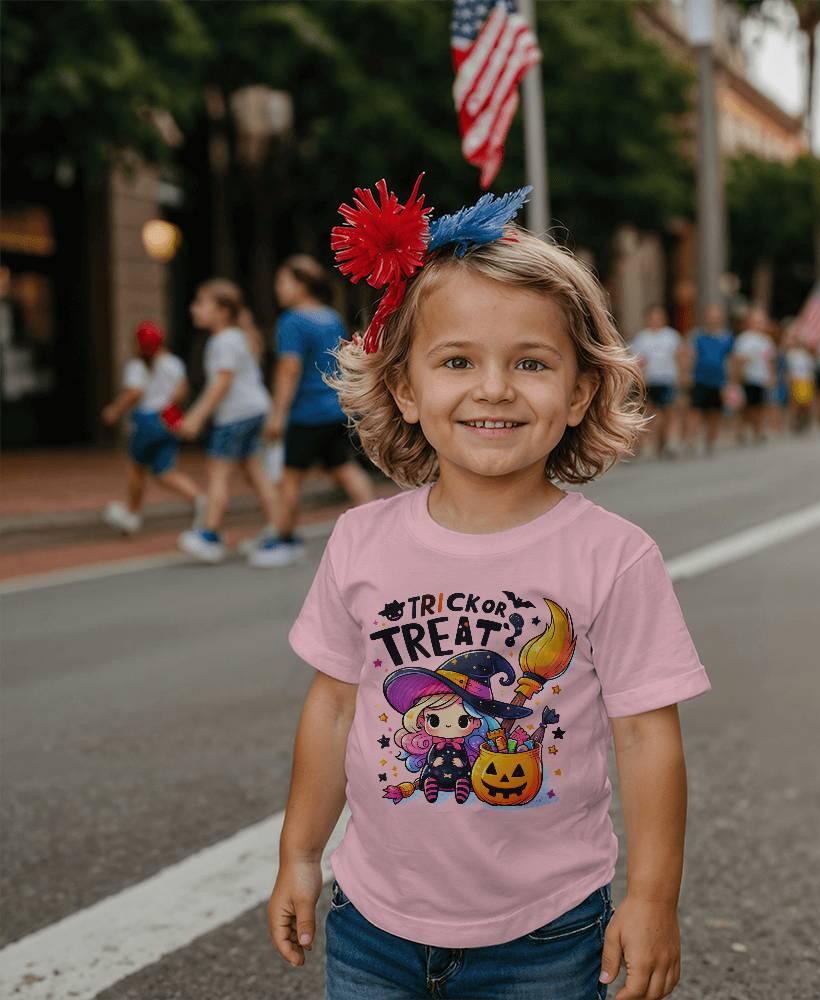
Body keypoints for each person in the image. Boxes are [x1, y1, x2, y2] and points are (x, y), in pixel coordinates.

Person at [267, 179, 711, 1000]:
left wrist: (653, 899)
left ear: (580, 392)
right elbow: (332, 708)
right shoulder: (361, 540)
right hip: (371, 922)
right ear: (405, 388)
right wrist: (299, 854)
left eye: (531, 363)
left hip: (545, 933)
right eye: (457, 361)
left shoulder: (614, 557)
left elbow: (648, 738)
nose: (495, 388)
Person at [248, 256, 376, 568]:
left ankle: (284, 538)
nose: (278, 289)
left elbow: (289, 369)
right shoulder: (330, 317)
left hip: (306, 414)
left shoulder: (292, 321)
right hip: (335, 408)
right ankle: (378, 530)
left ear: (302, 285)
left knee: (289, 479)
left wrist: (277, 415)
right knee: (346, 470)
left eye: (283, 282)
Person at [177, 279, 279, 562]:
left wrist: (195, 417)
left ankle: (209, 535)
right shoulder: (236, 337)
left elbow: (221, 383)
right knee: (255, 472)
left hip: (236, 415)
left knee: (218, 472)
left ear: (222, 311)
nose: (194, 309)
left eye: (201, 303)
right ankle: (278, 529)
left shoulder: (224, 341)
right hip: (254, 410)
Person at [101, 321, 203, 535]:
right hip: (169, 419)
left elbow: (134, 393)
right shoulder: (174, 363)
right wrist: (169, 410)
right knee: (165, 471)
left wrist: (115, 410)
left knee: (137, 468)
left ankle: (132, 514)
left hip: (146, 420)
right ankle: (200, 499)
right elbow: (182, 391)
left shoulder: (137, 365)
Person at [629, 305, 684, 458]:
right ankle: (640, 445)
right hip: (650, 381)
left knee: (669, 413)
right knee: (648, 414)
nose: (656, 320)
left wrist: (681, 376)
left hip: (667, 379)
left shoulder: (671, 336)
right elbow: (638, 361)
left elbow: (680, 357)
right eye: (653, 317)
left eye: (658, 317)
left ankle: (666, 442)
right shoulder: (642, 338)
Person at [684, 302, 734, 456]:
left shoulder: (726, 338)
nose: (713, 319)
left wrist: (731, 381)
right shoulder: (697, 336)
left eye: (716, 317)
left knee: (715, 412)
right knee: (695, 410)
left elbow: (730, 360)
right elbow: (690, 355)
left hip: (719, 380)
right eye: (711, 316)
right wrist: (686, 373)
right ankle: (691, 441)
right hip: (700, 379)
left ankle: (710, 441)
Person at [731, 305, 775, 445]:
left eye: (761, 321)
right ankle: (741, 431)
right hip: (747, 378)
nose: (759, 324)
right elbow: (738, 360)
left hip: (761, 378)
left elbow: (770, 361)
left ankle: (758, 431)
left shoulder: (766, 341)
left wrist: (771, 376)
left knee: (759, 406)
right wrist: (736, 378)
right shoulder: (744, 339)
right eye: (756, 321)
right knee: (746, 407)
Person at [785, 327, 817, 434]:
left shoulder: (806, 355)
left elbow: (811, 370)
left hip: (806, 381)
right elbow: (788, 370)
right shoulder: (790, 354)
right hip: (796, 381)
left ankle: (805, 420)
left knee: (806, 404)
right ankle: (795, 422)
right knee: (795, 404)